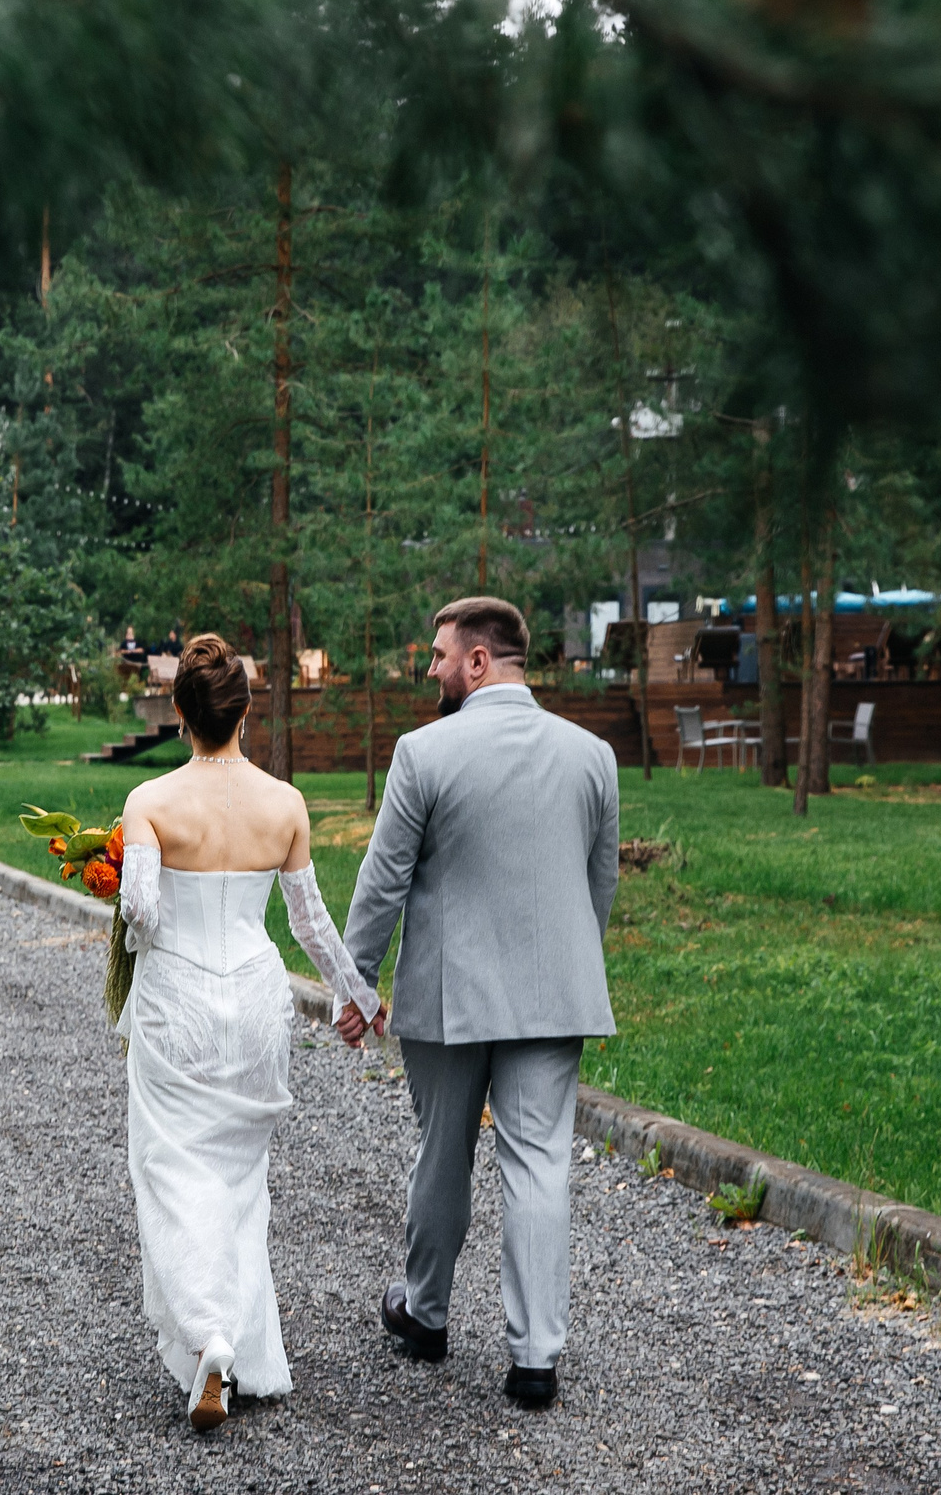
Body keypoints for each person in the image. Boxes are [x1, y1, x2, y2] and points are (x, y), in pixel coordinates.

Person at [343, 595, 619, 1410]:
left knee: (443, 1152)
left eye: (437, 655)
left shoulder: (423, 753)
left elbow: (382, 882)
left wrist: (356, 986)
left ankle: (425, 1314)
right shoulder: (591, 755)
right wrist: (571, 967)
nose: (429, 667)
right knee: (539, 1163)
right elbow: (596, 885)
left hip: (448, 997)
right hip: (554, 994)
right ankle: (535, 1359)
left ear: (477, 660)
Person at [116, 634, 382, 1432]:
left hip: (178, 1010)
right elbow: (309, 922)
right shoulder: (286, 803)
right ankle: (238, 1347)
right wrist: (357, 996)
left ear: (179, 712)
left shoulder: (150, 804)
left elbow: (141, 914)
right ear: (244, 711)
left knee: (171, 1170)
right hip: (259, 1008)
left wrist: (121, 884)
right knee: (237, 1180)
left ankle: (208, 1337)